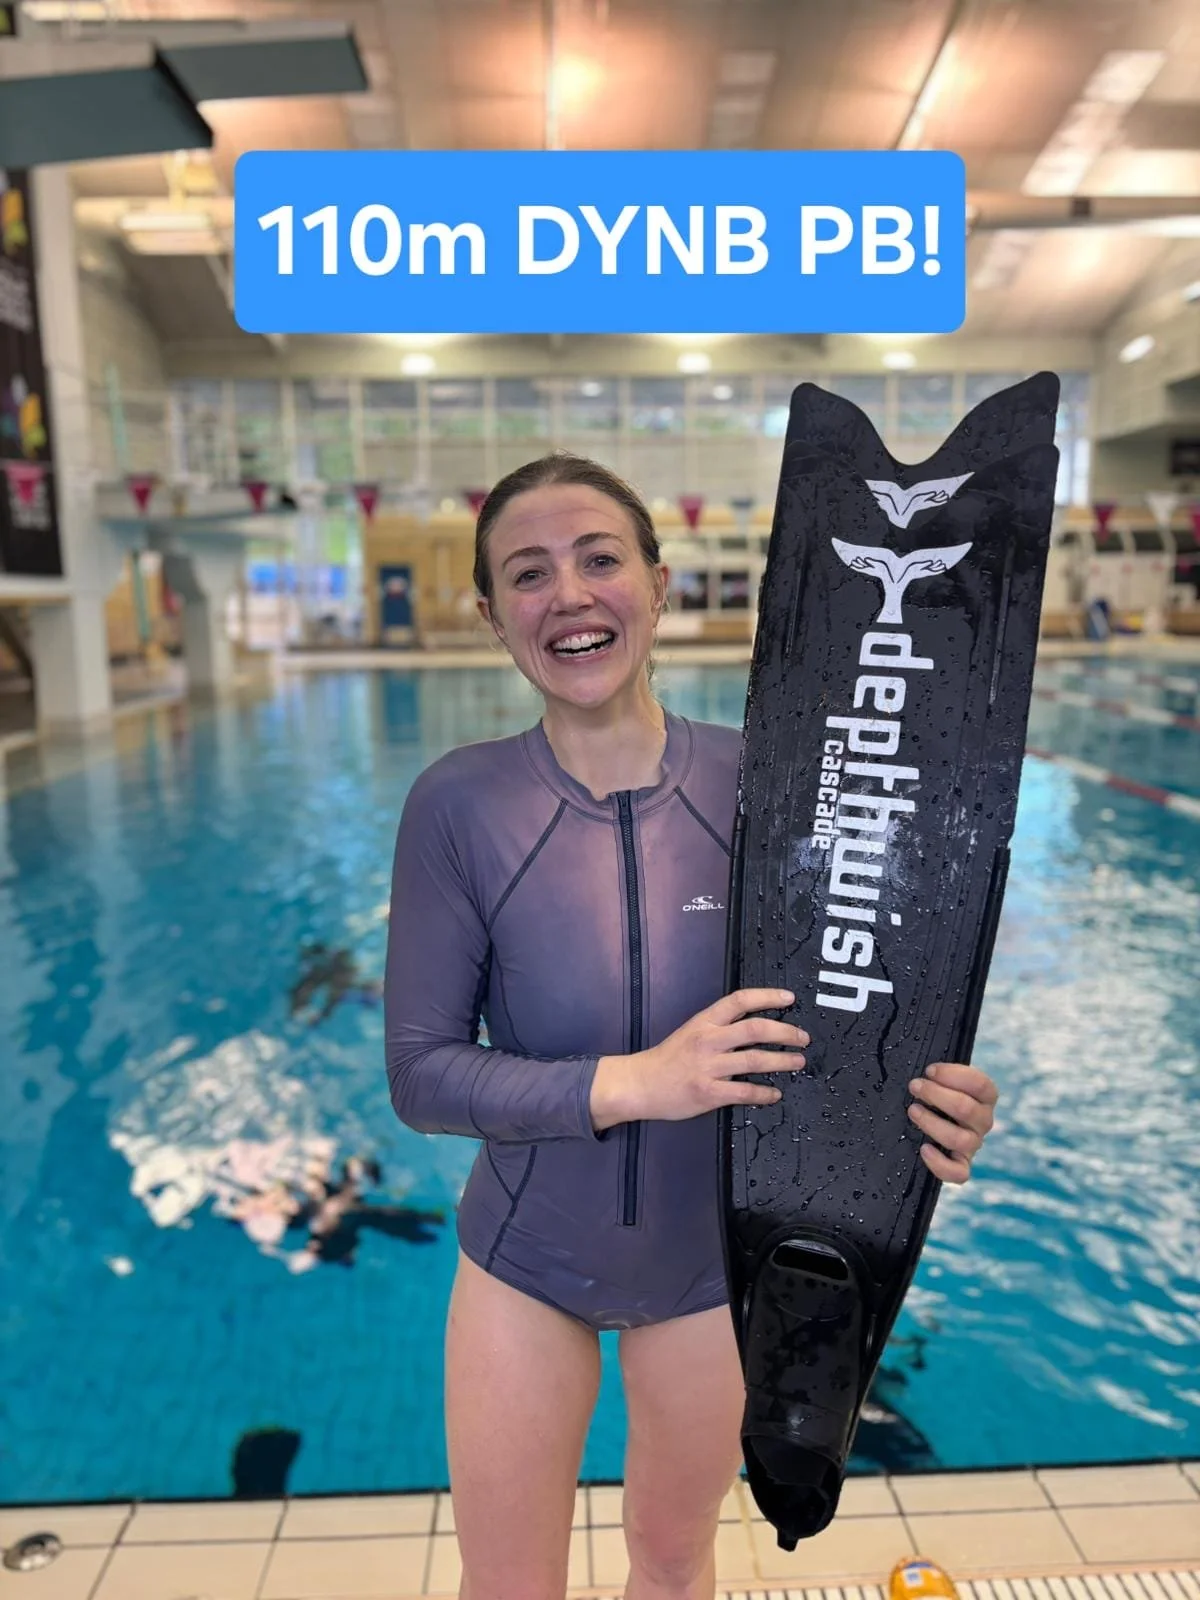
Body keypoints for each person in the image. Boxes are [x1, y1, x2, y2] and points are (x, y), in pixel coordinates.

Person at [384, 454, 999, 1600]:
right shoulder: (458, 804)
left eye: (600, 559)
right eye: (529, 573)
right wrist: (633, 1082)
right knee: (508, 1584)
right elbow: (421, 1075)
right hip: (526, 1263)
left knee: (673, 1562)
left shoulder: (774, 779)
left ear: (660, 586)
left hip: (713, 1269)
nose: (569, 594)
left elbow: (856, 1012)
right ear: (491, 617)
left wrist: (928, 1112)